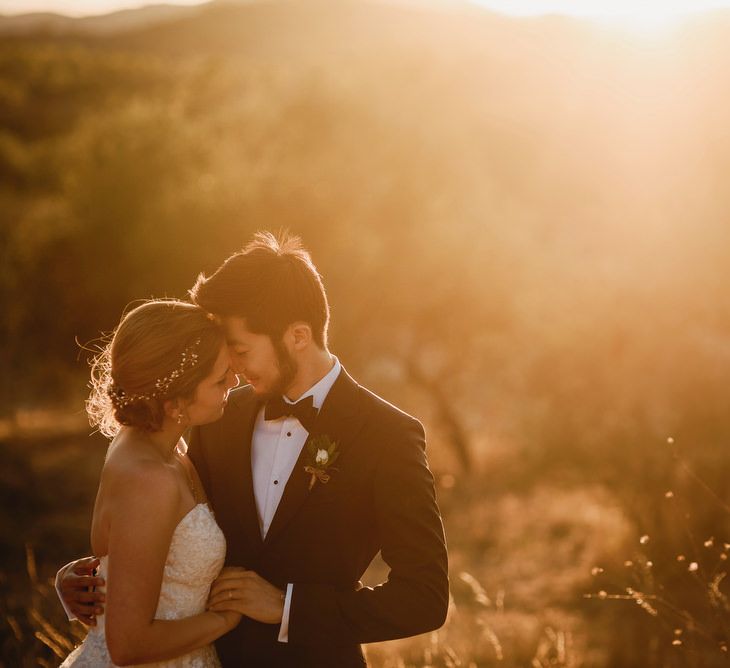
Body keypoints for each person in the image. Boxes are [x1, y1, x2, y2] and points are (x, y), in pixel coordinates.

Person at [59, 232, 449, 667]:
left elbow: (424, 597)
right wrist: (91, 577)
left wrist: (287, 609)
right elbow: (171, 527)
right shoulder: (215, 414)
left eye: (241, 351)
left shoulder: (388, 436)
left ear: (298, 336)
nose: (233, 370)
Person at [58, 299, 240, 667]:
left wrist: (77, 574)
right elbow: (129, 645)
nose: (234, 383)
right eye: (221, 378)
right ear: (176, 402)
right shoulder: (149, 478)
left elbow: (140, 552)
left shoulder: (151, 443)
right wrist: (225, 619)